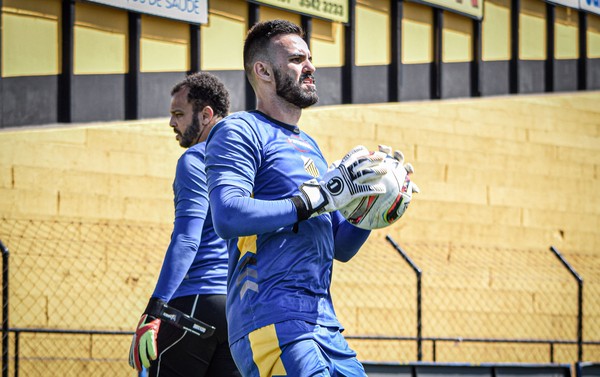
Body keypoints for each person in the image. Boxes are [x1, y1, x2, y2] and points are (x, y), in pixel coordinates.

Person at [204, 20, 417, 376]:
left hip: (324, 324)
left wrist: (375, 209)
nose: (311, 66)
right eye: (297, 59)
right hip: (271, 317)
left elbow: (340, 247)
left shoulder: (311, 147)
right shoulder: (238, 129)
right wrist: (312, 200)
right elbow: (227, 215)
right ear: (264, 71)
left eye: (310, 58)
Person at [128, 72, 241, 377]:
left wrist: (154, 310)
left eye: (179, 114)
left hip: (193, 306)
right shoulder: (246, 164)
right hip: (238, 311)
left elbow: (187, 240)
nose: (171, 124)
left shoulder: (195, 159)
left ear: (206, 116)